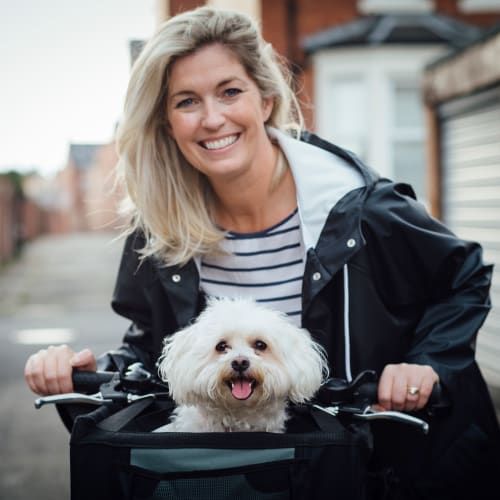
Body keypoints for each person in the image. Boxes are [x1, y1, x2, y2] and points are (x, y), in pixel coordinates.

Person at [25, 6, 500, 499]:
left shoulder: (361, 209)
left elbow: (462, 277)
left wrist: (428, 363)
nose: (213, 119)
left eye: (230, 91)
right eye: (187, 101)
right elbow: (151, 347)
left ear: (267, 99)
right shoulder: (159, 231)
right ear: (166, 123)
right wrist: (73, 375)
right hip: (245, 475)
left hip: (388, 470)